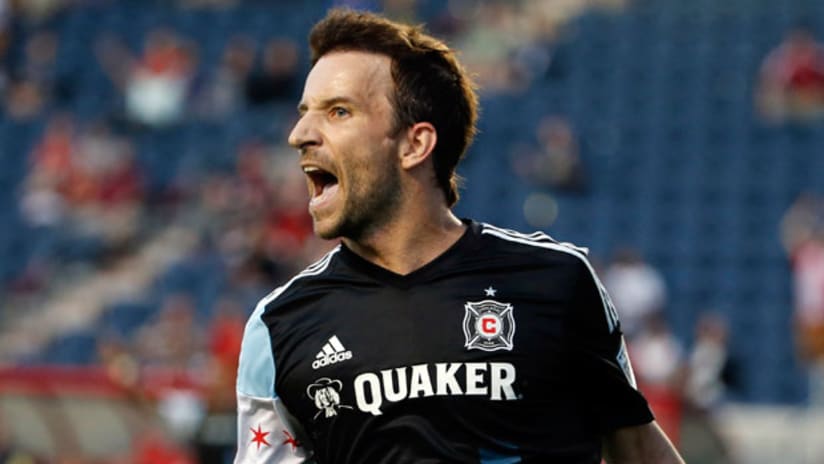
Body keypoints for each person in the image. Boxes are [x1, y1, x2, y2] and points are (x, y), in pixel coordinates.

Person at [235, 8, 684, 464]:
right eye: (304, 112)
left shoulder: (555, 282)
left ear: (415, 144)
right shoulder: (278, 325)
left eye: (338, 111)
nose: (299, 134)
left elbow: (641, 452)